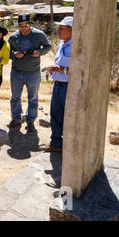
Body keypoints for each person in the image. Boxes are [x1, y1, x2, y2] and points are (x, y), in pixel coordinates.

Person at [8, 13, 51, 133]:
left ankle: (30, 121)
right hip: (16, 72)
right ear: (18, 26)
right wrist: (14, 55)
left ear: (30, 24)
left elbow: (48, 46)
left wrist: (39, 52)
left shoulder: (39, 34)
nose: (23, 29)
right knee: (15, 97)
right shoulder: (13, 37)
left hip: (33, 73)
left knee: (33, 98)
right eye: (21, 26)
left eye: (26, 26)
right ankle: (16, 119)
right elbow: (8, 52)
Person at [40, 17, 73, 152]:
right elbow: (61, 64)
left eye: (62, 28)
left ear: (72, 30)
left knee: (70, 117)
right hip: (58, 85)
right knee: (56, 114)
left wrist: (62, 70)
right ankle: (56, 143)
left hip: (69, 87)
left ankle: (71, 146)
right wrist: (53, 68)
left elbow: (82, 69)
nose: (58, 30)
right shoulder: (61, 44)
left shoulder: (77, 46)